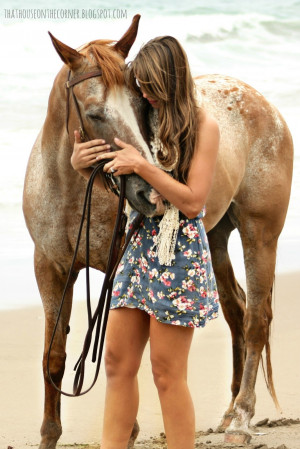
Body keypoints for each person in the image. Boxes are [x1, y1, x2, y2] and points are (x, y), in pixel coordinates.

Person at [71, 36, 219, 449]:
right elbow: (120, 185)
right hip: (138, 247)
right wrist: (82, 167)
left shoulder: (204, 126)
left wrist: (142, 165)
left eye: (154, 87)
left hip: (179, 253)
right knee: (117, 363)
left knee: (166, 373)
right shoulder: (141, 117)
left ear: (173, 82)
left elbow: (192, 202)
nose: (147, 94)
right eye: (142, 86)